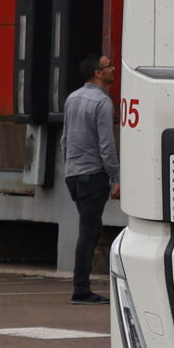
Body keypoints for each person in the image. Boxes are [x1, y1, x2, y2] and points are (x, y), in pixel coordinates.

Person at [62, 54, 121, 305]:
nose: (113, 69)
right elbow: (106, 144)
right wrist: (115, 177)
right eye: (108, 66)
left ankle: (81, 287)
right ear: (98, 73)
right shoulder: (103, 103)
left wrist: (69, 167)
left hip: (74, 174)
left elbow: (65, 139)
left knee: (88, 229)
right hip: (93, 174)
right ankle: (81, 289)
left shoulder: (72, 98)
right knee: (88, 232)